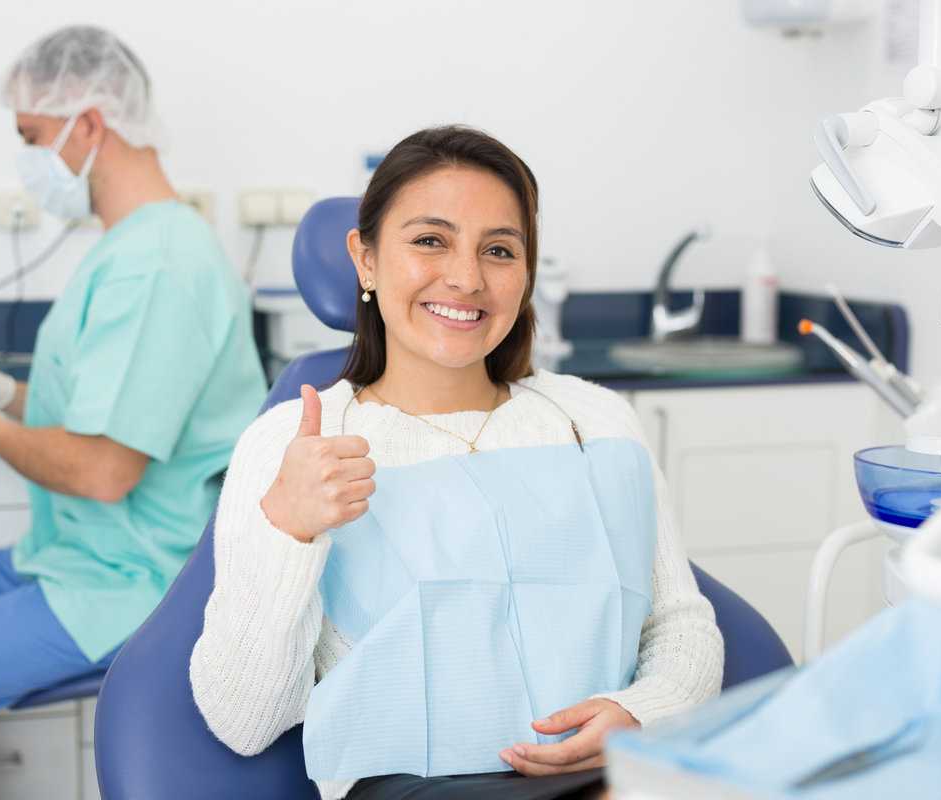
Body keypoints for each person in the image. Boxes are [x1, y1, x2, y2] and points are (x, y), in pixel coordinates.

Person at [190, 125, 725, 800]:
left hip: (606, 773)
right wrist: (287, 528)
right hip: (415, 785)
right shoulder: (292, 445)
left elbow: (680, 622)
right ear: (366, 259)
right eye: (430, 240)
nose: (467, 278)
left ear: (526, 273)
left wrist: (642, 712)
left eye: (498, 250)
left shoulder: (595, 422)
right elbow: (244, 722)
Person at [0, 25, 268, 799]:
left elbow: (102, 469)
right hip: (86, 550)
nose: (29, 161)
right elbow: (100, 415)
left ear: (90, 124)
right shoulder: (130, 246)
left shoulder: (159, 266)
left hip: (138, 577)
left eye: (32, 137)